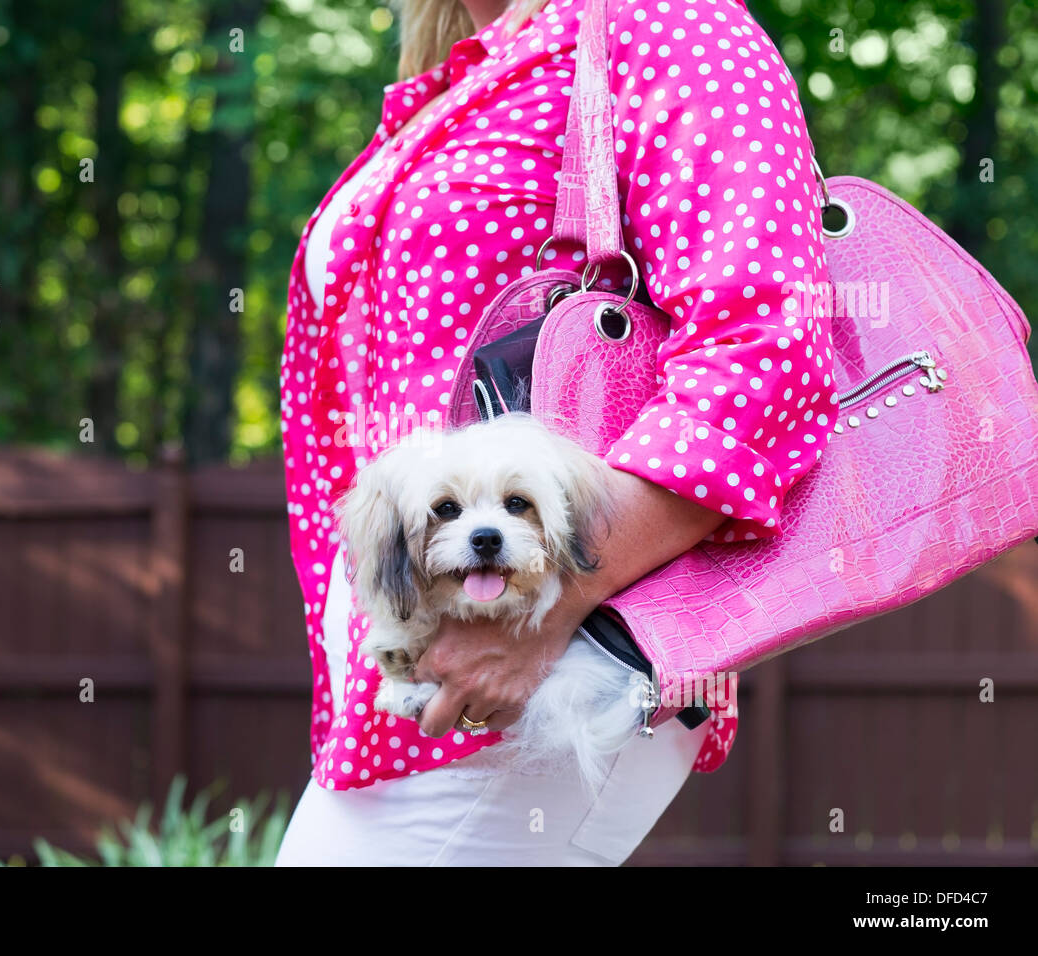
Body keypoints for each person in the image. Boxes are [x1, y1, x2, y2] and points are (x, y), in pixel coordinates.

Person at [274, 0, 836, 865]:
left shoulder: (673, 22)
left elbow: (762, 348)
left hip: (561, 635)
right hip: (435, 635)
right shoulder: (469, 76)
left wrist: (546, 608)